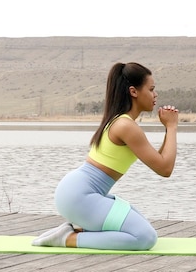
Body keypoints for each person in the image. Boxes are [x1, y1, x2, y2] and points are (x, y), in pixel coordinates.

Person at [32, 62, 178, 250]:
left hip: (78, 193)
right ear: (134, 91)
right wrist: (173, 127)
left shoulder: (121, 122)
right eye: (151, 89)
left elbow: (161, 162)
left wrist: (168, 127)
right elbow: (165, 169)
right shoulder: (126, 126)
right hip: (80, 197)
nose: (155, 94)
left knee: (142, 226)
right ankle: (68, 238)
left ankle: (79, 229)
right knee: (145, 238)